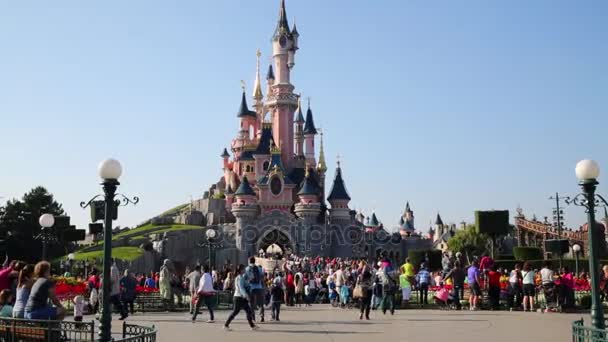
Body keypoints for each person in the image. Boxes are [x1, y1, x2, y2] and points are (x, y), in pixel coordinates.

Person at [224, 264, 259, 331]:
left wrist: (248, 283)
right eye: (244, 269)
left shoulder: (241, 277)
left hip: (241, 297)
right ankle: (226, 325)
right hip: (239, 297)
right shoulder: (240, 278)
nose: (245, 270)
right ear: (241, 270)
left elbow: (245, 285)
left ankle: (252, 326)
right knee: (235, 312)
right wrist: (246, 296)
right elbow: (241, 288)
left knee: (248, 311)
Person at [246, 257, 265, 322]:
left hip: (251, 287)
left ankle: (253, 317)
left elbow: (245, 278)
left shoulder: (247, 269)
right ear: (254, 261)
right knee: (260, 303)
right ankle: (262, 316)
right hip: (259, 287)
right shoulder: (259, 268)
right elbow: (262, 277)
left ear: (249, 261)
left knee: (251, 303)